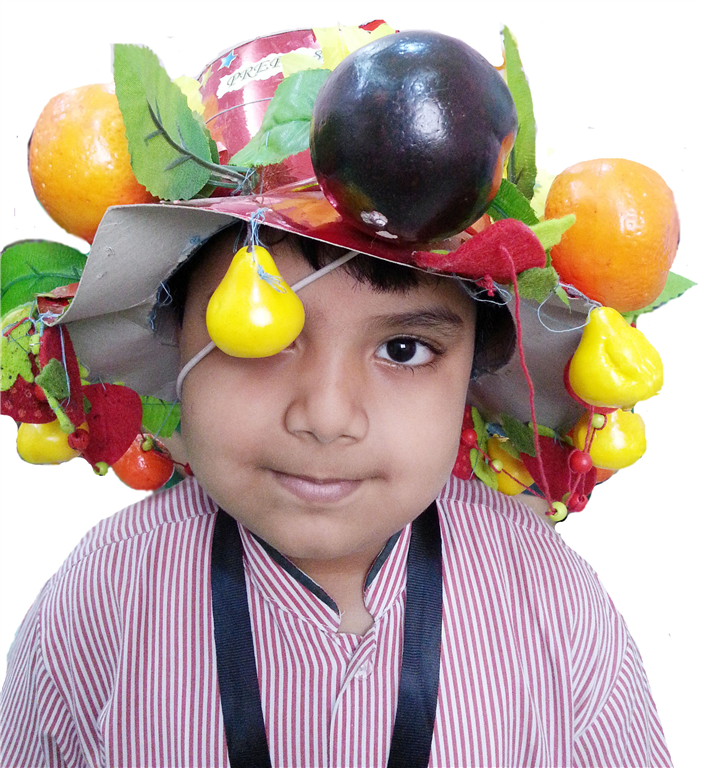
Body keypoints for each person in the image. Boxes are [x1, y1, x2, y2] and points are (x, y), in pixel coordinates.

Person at [0, 13, 690, 768]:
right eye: (259, 335)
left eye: (404, 349)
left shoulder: (552, 602)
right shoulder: (99, 602)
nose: (326, 416)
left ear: (473, 373)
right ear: (174, 341)